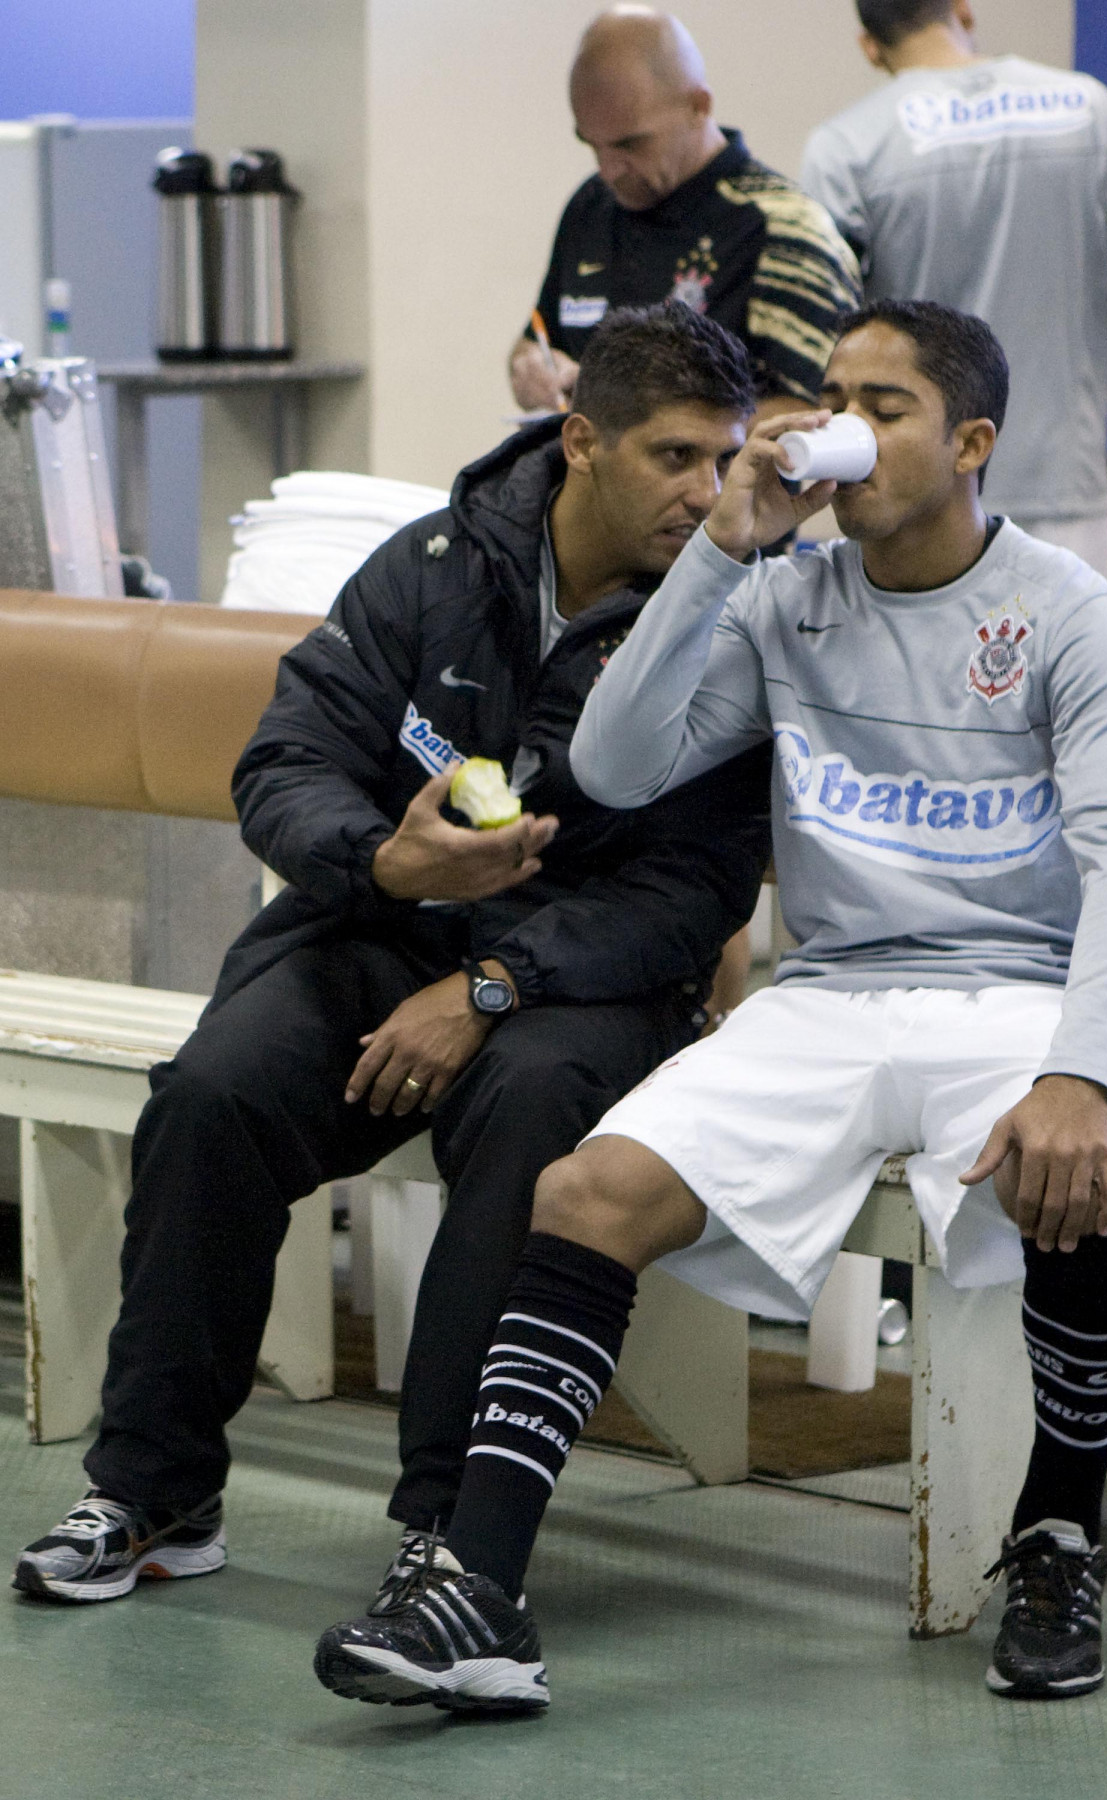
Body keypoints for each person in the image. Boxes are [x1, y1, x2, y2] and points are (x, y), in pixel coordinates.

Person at [314, 300, 1107, 1714]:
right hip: (827, 996)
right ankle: (478, 1590)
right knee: (585, 1192)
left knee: (1076, 1170)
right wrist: (728, 548)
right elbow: (615, 762)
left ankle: (1057, 1534)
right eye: (830, 393)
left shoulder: (1070, 616)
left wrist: (1083, 1065)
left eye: (882, 405)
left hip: (1014, 994)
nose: (840, 424)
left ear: (970, 444)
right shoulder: (782, 593)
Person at [12, 303, 774, 1607]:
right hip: (378, 932)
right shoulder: (428, 566)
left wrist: (493, 987)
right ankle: (154, 1487)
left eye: (725, 459)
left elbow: (696, 891)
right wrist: (384, 863)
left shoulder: (726, 614)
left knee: (530, 1110)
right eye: (675, 457)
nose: (707, 494)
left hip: (582, 984)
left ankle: (450, 1527)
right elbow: (286, 760)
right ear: (581, 440)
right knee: (213, 1095)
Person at [799, 0, 1107, 582]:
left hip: (921, 496)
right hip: (1064, 488)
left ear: (870, 46)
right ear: (963, 9)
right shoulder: (1086, 107)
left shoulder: (846, 146)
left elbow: (822, 320)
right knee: (1073, 670)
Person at [509, 8, 862, 418]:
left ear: (699, 105)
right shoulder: (591, 205)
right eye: (592, 145)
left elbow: (806, 415)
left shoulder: (786, 230)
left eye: (630, 145)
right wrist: (531, 367)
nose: (608, 169)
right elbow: (537, 336)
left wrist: (646, 433)